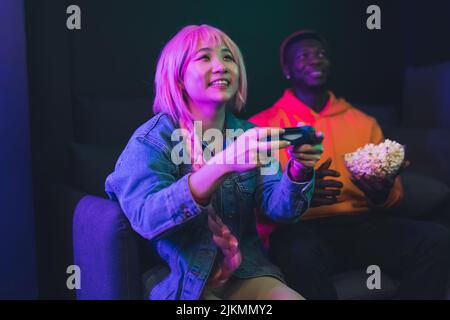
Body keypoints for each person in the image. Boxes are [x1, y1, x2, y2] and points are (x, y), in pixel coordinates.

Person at [105, 25, 324, 300]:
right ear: (179, 77)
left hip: (245, 272)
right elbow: (148, 219)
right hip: (181, 280)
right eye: (204, 58)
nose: (221, 66)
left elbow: (280, 210)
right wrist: (224, 164)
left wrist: (299, 169)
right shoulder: (152, 140)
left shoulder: (248, 134)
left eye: (228, 57)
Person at [249, 30, 450, 299]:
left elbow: (394, 198)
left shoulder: (363, 122)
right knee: (297, 251)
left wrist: (381, 191)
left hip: (362, 226)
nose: (315, 60)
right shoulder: (263, 126)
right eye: (304, 56)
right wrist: (299, 193)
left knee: (436, 239)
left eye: (321, 54)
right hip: (301, 231)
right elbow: (252, 202)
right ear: (287, 69)